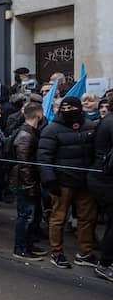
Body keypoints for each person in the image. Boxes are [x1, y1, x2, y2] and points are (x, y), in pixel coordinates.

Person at [37, 96, 98, 269]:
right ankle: (57, 253)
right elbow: (43, 156)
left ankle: (84, 253)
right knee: (58, 218)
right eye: (66, 108)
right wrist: (49, 179)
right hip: (62, 181)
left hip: (85, 181)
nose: (69, 111)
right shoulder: (51, 130)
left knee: (87, 218)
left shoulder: (90, 127)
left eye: (73, 108)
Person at [8, 102, 48, 261]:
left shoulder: (29, 132)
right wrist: (30, 185)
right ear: (39, 115)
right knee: (26, 215)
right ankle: (20, 248)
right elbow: (24, 164)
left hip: (27, 181)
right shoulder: (25, 135)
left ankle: (28, 244)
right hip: (25, 183)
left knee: (31, 215)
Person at [88, 109, 113, 281]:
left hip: (102, 177)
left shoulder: (107, 120)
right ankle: (105, 264)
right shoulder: (110, 122)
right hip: (106, 179)